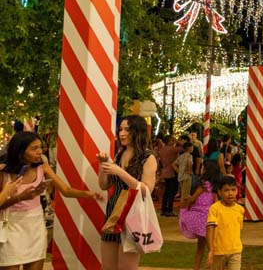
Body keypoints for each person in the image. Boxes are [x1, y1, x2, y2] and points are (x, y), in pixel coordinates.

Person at [0, 132, 101, 270]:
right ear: (20, 151)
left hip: (35, 225)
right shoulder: (3, 172)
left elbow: (65, 190)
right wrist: (20, 197)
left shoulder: (43, 167)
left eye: (41, 147)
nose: (40, 152)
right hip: (10, 225)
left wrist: (88, 194)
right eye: (34, 148)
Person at [97, 116, 158, 270]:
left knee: (127, 267)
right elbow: (104, 185)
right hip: (113, 214)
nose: (122, 133)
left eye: (127, 129)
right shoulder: (119, 154)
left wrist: (120, 172)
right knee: (107, 266)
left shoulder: (148, 157)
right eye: (120, 129)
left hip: (133, 215)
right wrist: (103, 166)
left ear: (138, 132)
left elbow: (146, 190)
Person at [179, 159, 220, 270]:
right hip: (208, 218)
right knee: (211, 247)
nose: (201, 169)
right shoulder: (214, 187)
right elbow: (216, 202)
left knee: (202, 248)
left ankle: (197, 267)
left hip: (199, 217)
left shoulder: (203, 185)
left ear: (206, 171)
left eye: (202, 167)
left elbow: (193, 199)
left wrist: (187, 202)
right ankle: (212, 267)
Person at [206, 175, 244, 270]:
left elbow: (239, 229)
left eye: (233, 190)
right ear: (219, 192)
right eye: (226, 190)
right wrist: (211, 250)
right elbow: (210, 229)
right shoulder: (214, 209)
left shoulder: (240, 209)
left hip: (235, 250)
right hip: (218, 252)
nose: (230, 193)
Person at [157, 135, 179, 217]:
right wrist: (177, 141)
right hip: (172, 172)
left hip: (165, 171)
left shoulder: (162, 149)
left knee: (167, 191)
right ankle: (169, 209)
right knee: (172, 191)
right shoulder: (172, 149)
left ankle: (164, 209)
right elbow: (184, 148)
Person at [175, 140, 195, 215]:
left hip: (180, 176)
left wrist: (179, 171)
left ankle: (182, 210)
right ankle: (183, 210)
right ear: (189, 148)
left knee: (183, 193)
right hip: (187, 176)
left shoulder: (181, 156)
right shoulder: (189, 156)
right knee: (185, 195)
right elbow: (189, 164)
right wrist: (190, 171)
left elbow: (174, 164)